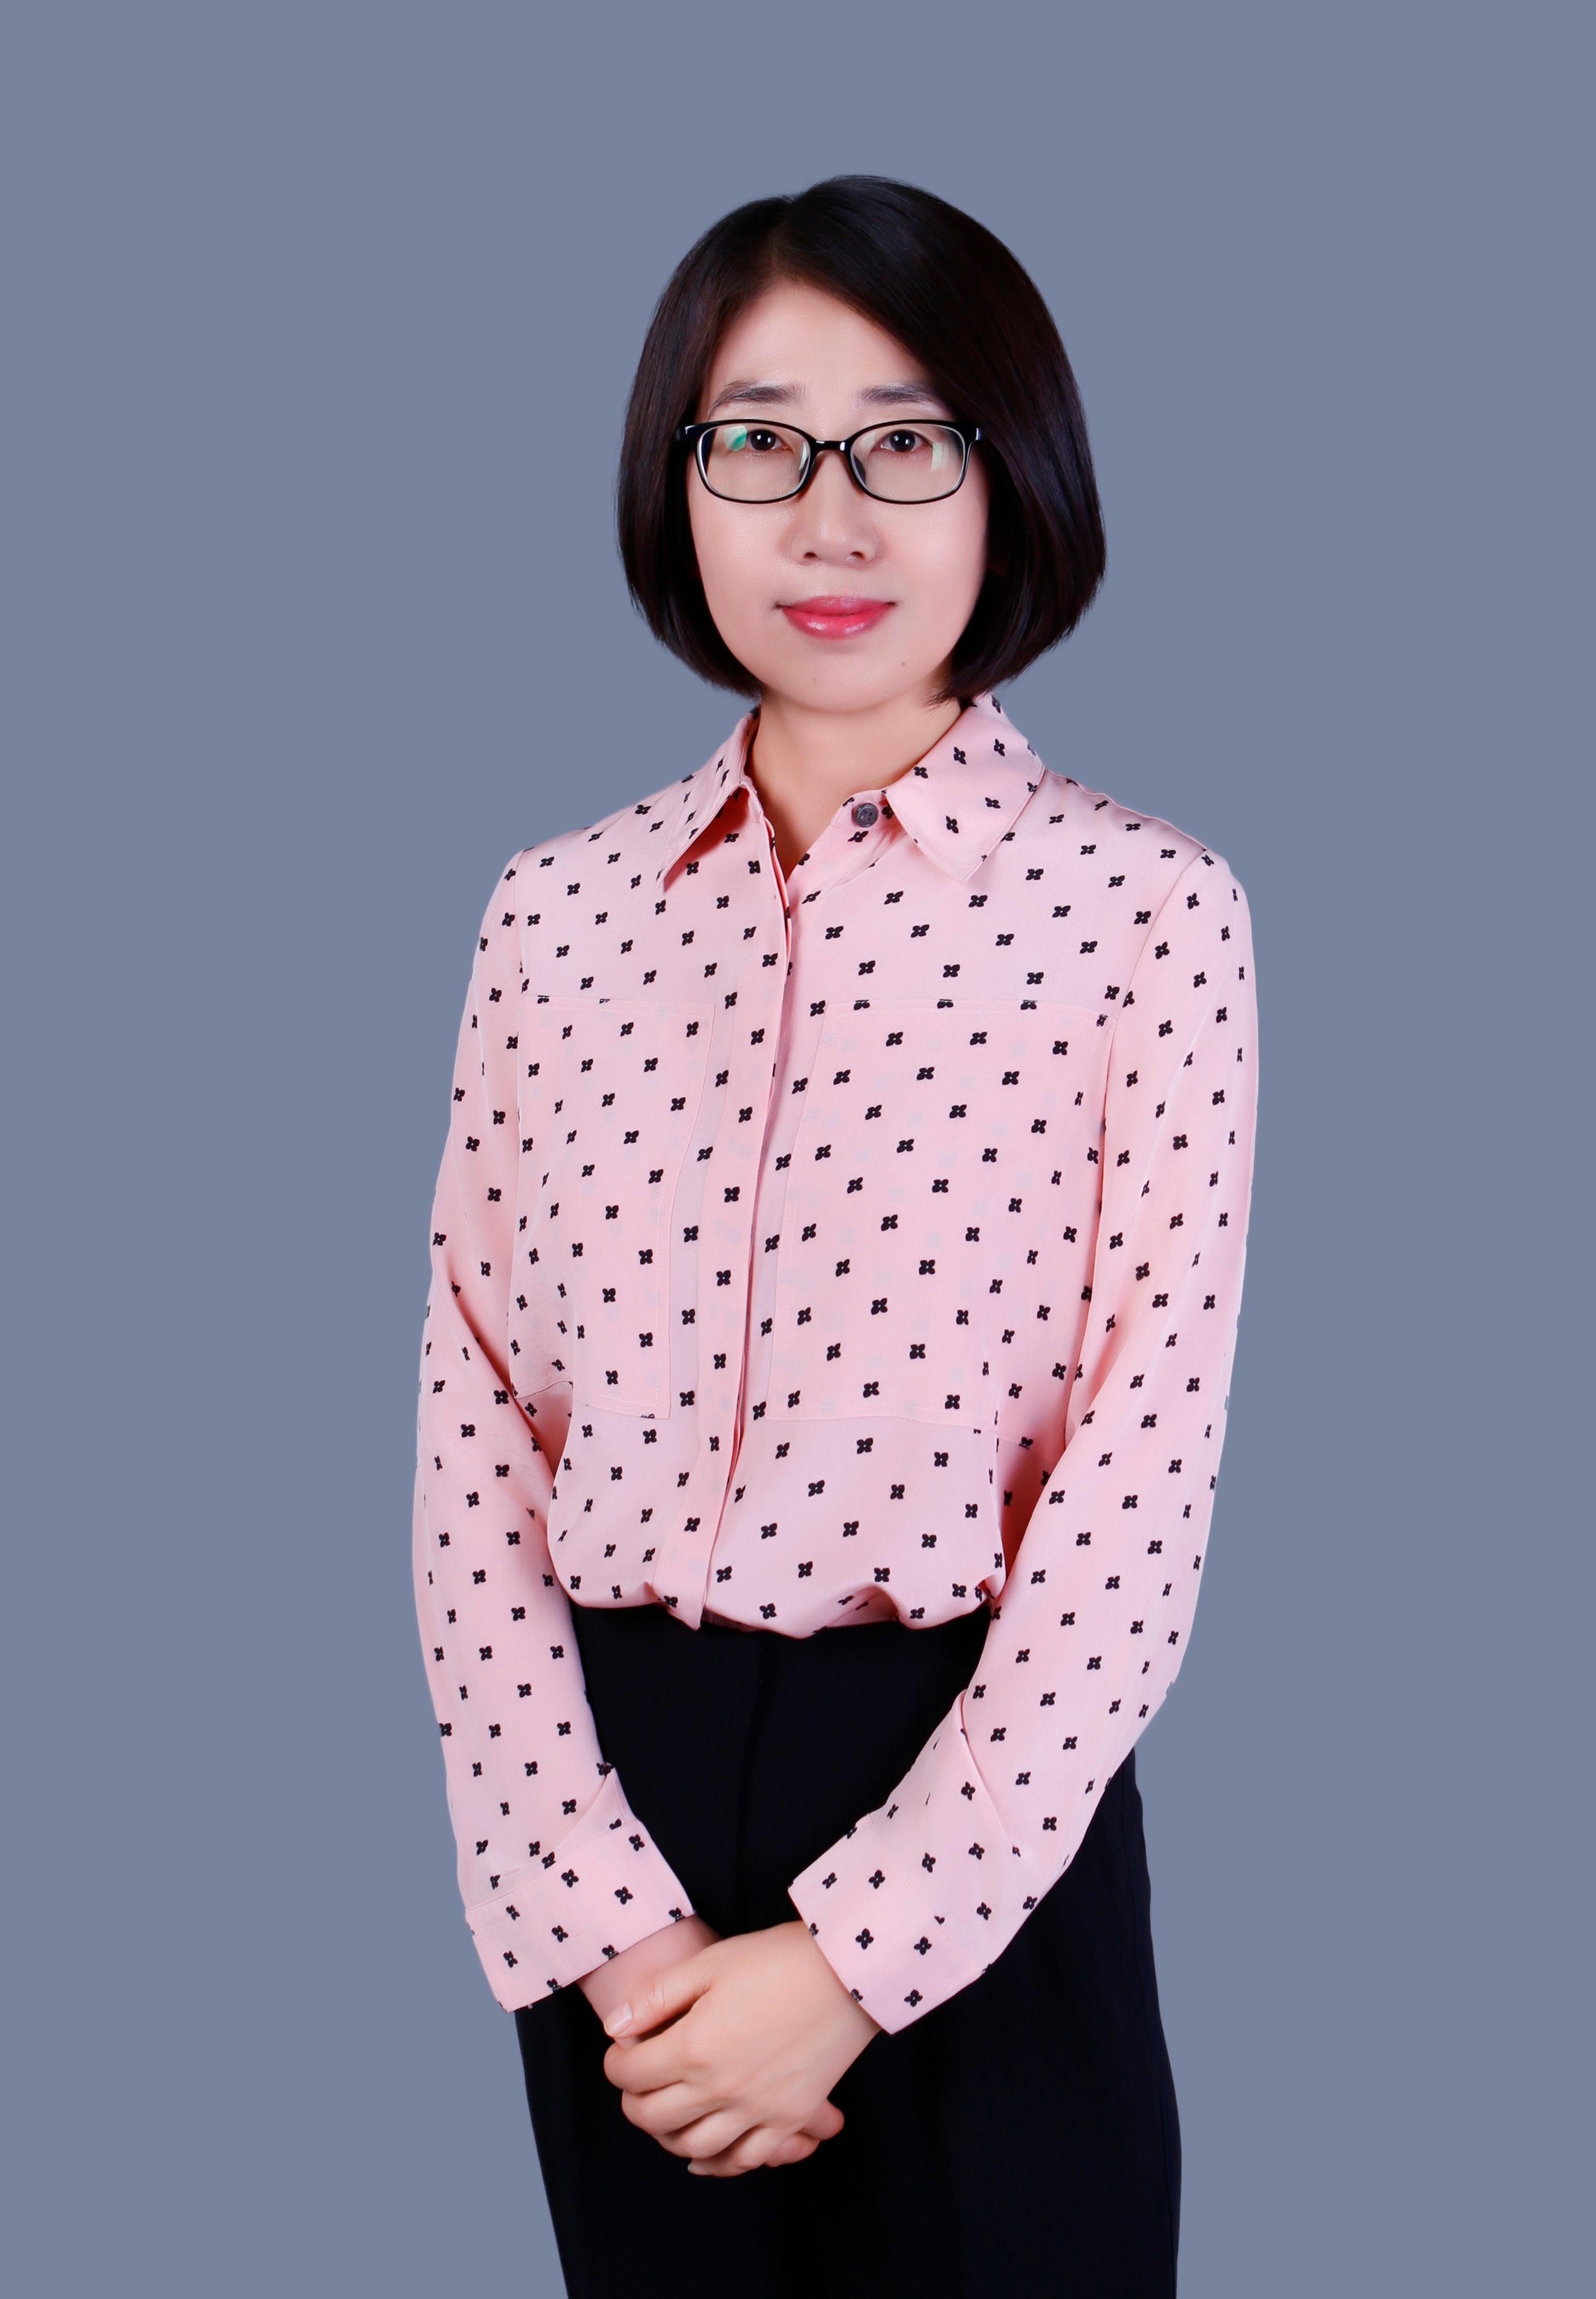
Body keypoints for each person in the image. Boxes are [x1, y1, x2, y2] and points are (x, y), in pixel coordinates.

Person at [412, 175, 1258, 2298]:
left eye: (905, 443)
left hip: (982, 1810)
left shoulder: (1148, 916)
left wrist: (858, 1958)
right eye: (759, 442)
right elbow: (474, 1438)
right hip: (621, 1837)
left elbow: (1138, 1497)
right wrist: (607, 1928)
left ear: (1012, 473)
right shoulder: (554, 916)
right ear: (675, 479)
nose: (830, 518)